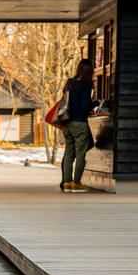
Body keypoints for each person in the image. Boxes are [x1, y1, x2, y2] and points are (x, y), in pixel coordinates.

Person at [60, 59, 99, 192]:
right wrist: (96, 103)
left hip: (67, 123)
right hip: (79, 123)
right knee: (80, 154)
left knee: (69, 153)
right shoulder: (86, 85)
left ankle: (66, 182)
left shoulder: (70, 82)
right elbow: (84, 107)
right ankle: (76, 182)